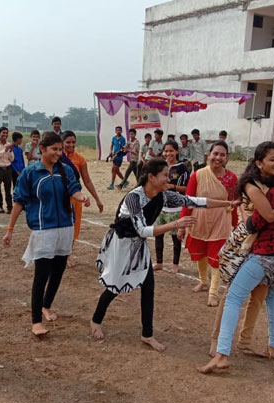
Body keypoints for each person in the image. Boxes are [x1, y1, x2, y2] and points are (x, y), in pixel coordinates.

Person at [90, 158, 236, 352]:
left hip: (138, 245)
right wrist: (175, 224)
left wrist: (227, 203)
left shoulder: (163, 195)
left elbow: (195, 201)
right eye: (165, 175)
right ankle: (95, 320)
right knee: (114, 286)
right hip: (122, 245)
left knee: (148, 287)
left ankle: (147, 334)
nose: (169, 179)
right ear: (151, 177)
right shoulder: (133, 198)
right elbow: (142, 230)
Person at [199, 147, 274, 374]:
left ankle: (221, 354)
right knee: (272, 297)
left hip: (266, 253)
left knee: (233, 297)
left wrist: (248, 224)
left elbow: (260, 221)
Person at [3, 132, 89, 336]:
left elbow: (74, 189)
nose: (58, 153)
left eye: (60, 150)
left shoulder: (65, 170)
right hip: (43, 231)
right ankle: (36, 322)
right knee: (41, 275)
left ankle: (46, 305)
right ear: (42, 149)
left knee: (58, 272)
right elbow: (19, 202)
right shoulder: (30, 173)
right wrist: (10, 230)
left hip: (65, 228)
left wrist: (81, 197)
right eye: (54, 149)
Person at [178, 141, 238, 307]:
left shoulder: (232, 178)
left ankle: (213, 292)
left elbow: (233, 203)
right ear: (209, 155)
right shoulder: (197, 175)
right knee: (201, 253)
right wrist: (182, 225)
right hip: (200, 220)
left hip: (221, 222)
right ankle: (203, 281)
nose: (218, 157)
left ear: (227, 158)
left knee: (217, 257)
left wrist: (235, 224)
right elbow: (188, 201)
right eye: (215, 154)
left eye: (222, 155)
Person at [61, 130, 104, 263]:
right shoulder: (56, 157)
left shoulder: (80, 159)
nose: (71, 145)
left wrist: (97, 199)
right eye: (68, 142)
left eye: (73, 142)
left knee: (74, 225)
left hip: (76, 197)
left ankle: (68, 254)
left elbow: (87, 181)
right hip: (60, 197)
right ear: (62, 143)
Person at [154, 140, 190, 274]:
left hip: (175, 209)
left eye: (171, 151)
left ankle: (175, 264)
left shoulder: (182, 168)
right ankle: (159, 262)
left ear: (177, 151)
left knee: (176, 238)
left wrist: (173, 186)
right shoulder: (161, 166)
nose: (168, 153)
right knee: (158, 236)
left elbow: (187, 188)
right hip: (161, 208)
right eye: (166, 151)